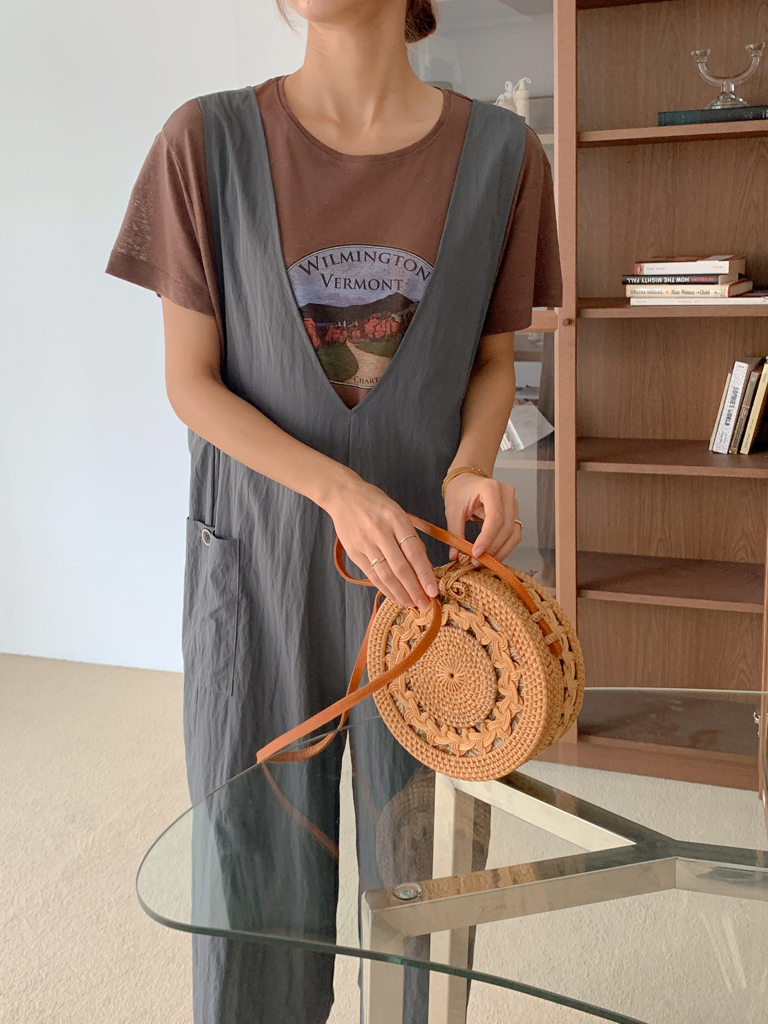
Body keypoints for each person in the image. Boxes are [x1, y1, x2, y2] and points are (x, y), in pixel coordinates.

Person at [107, 0, 561, 1020]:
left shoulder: (502, 154)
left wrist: (470, 468)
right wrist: (337, 489)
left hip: (426, 580)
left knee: (425, 880)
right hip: (257, 562)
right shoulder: (205, 142)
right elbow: (191, 382)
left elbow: (493, 360)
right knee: (253, 876)